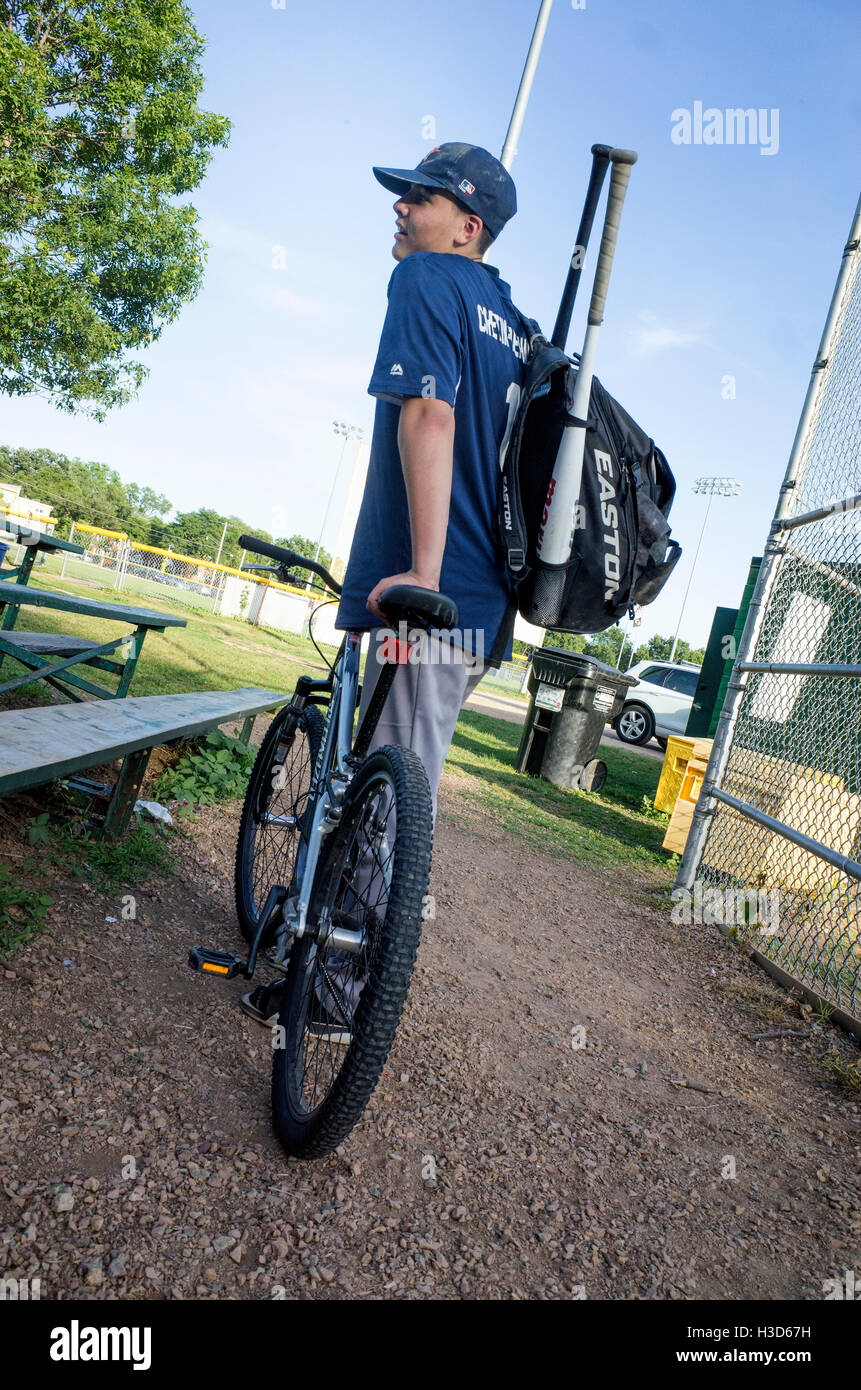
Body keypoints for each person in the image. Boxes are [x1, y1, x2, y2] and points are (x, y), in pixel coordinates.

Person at [242, 141, 531, 1030]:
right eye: (404, 194)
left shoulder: (428, 283)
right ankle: (315, 960)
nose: (402, 209)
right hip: (485, 609)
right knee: (381, 777)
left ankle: (334, 997)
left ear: (468, 225)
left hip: (440, 595)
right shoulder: (512, 321)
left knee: (389, 800)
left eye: (423, 197)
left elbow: (430, 413)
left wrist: (423, 575)